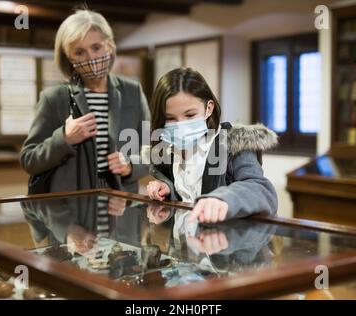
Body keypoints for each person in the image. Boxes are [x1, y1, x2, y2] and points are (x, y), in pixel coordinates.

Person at [20, 9, 150, 193]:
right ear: (68, 58)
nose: (91, 58)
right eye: (80, 52)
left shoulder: (132, 92)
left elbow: (151, 149)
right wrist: (65, 138)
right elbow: (29, 160)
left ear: (110, 46)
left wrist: (130, 166)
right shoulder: (54, 98)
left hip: (122, 209)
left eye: (96, 47)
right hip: (70, 214)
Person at [146, 67, 278, 223]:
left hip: (227, 243)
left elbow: (262, 191)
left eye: (190, 115)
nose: (181, 125)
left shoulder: (233, 144)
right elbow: (188, 194)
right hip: (186, 244)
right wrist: (167, 187)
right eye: (170, 118)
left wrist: (223, 199)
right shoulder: (168, 149)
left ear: (208, 108)